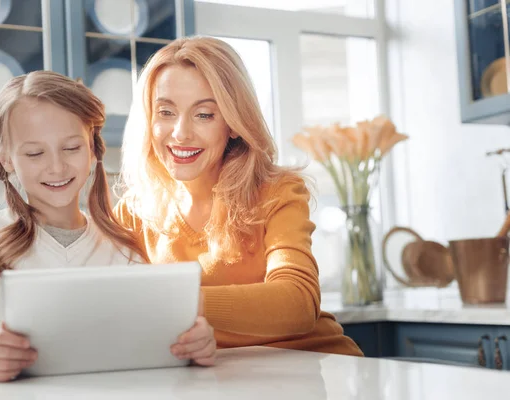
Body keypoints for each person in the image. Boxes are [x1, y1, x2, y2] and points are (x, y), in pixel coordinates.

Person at [0, 71, 215, 382]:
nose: (56, 167)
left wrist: (195, 344)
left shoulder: (122, 247)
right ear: (6, 160)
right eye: (35, 153)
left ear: (93, 149)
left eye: (71, 148)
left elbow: (159, 342)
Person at [116, 36, 363, 356]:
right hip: (221, 377)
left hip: (316, 365)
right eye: (165, 112)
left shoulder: (276, 192)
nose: (180, 133)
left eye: (204, 114)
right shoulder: (133, 213)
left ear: (233, 123)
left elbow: (299, 303)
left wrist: (178, 300)